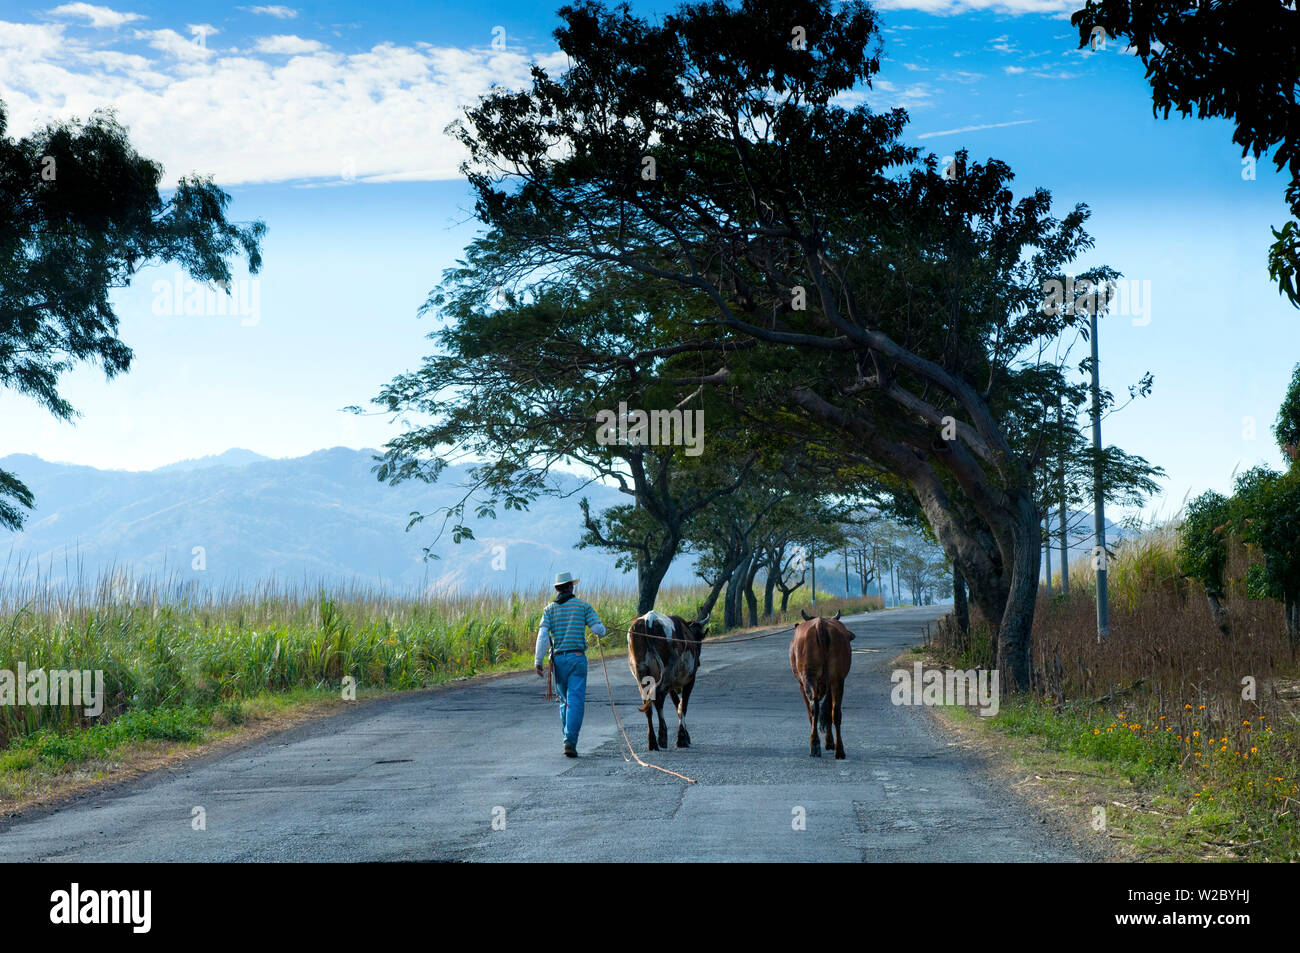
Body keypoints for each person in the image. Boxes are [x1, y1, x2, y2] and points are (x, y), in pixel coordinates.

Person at [534, 571, 605, 757]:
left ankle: (567, 738)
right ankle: (570, 740)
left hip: (558, 660)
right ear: (571, 587)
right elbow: (599, 629)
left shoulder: (549, 610)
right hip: (577, 659)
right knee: (576, 700)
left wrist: (537, 661)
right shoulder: (583, 606)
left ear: (557, 589)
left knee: (564, 701)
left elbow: (542, 636)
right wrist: (602, 628)